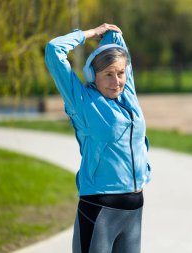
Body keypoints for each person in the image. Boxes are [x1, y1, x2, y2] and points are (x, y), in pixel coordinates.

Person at [45, 23, 151, 253]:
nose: (117, 81)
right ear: (93, 75)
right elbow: (54, 50)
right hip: (100, 208)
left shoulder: (127, 94)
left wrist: (111, 34)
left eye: (121, 73)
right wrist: (90, 33)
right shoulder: (82, 101)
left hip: (134, 208)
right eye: (108, 75)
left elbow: (117, 41)